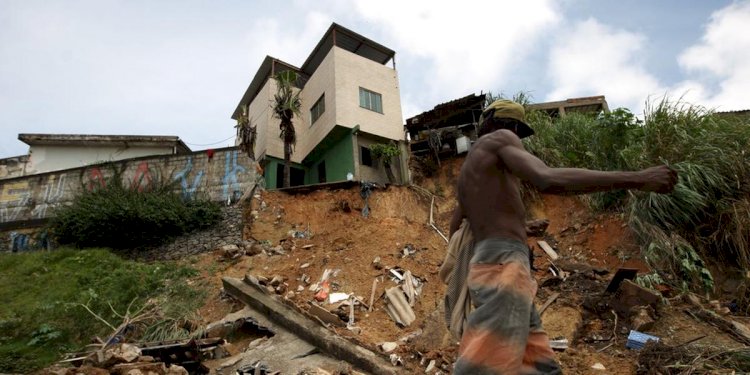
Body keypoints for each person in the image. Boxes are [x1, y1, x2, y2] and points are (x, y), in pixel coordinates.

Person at [451, 99, 678, 374]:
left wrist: (516, 233)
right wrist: (638, 178)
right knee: (482, 365)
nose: (518, 140)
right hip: (504, 265)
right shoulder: (501, 138)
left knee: (536, 364)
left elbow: (459, 225)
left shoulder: (469, 171)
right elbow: (546, 178)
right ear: (507, 125)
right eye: (518, 132)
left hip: (487, 264)